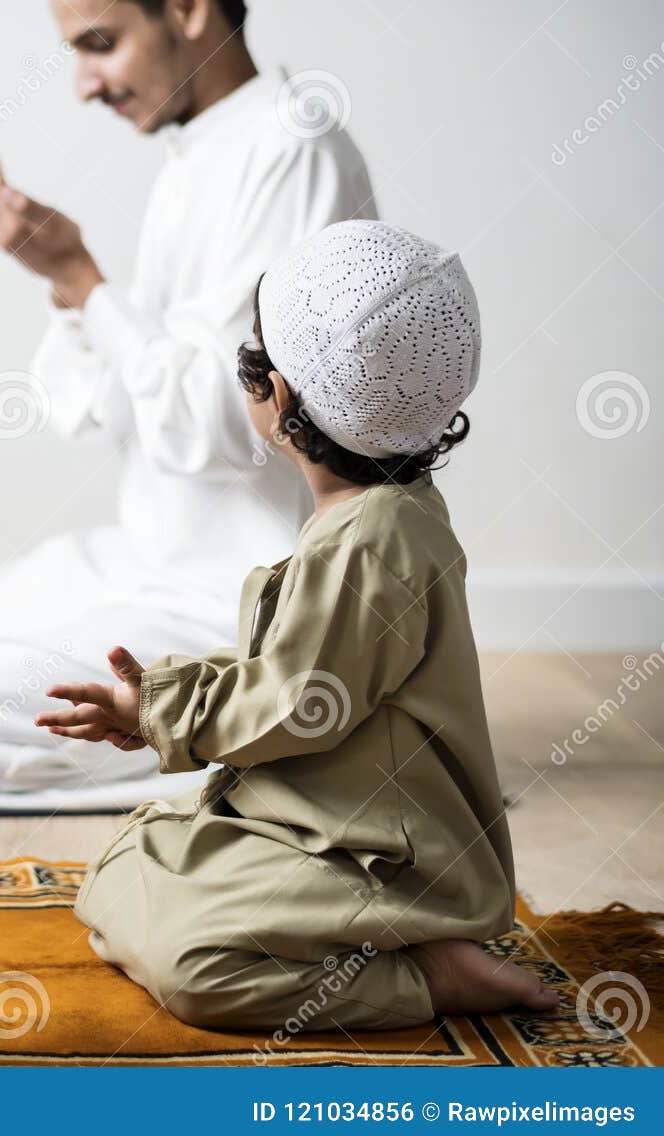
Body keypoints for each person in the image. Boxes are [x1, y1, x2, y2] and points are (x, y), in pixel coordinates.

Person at [0, 0, 376, 810]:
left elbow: (232, 427)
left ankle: (269, 732)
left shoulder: (291, 148)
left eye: (100, 45)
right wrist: (73, 295)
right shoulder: (195, 153)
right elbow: (113, 406)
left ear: (188, 10)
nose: (84, 85)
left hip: (239, 596)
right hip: (148, 558)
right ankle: (208, 731)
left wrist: (82, 282)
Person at [40, 220, 560, 1029]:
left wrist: (162, 714)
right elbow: (297, 667)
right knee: (120, 870)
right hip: (319, 821)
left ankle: (425, 974)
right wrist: (164, 699)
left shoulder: (371, 542)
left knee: (193, 965)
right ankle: (353, 936)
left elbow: (294, 698)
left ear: (276, 398)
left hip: (388, 857)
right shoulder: (377, 515)